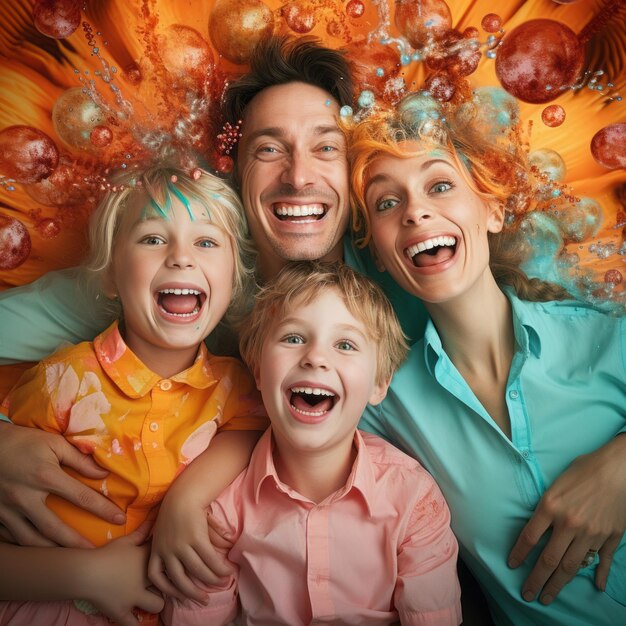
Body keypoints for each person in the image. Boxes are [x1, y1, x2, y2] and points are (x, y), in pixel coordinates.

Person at [0, 35, 622, 609]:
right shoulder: (179, 267)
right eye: (268, 150)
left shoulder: (412, 267)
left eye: (326, 147)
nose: (299, 175)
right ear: (234, 171)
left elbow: (561, 349)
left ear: (354, 180)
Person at [347, 92, 626, 625]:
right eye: (387, 203)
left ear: (493, 210)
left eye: (440, 185)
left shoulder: (610, 338)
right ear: (379, 253)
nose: (416, 210)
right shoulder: (381, 407)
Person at [0, 165, 267, 625]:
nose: (181, 258)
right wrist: (87, 575)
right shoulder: (62, 381)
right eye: (152, 239)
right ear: (109, 275)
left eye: (206, 242)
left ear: (235, 281)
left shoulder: (237, 387)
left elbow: (251, 429)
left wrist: (187, 497)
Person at [163, 260, 462, 626]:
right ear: (257, 368)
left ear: (379, 384)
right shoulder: (223, 508)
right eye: (293, 338)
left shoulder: (413, 499)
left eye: (345, 344)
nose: (316, 358)